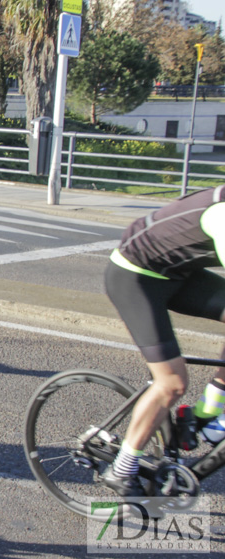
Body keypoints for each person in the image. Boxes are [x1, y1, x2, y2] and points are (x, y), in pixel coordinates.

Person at [102, 186, 225, 496]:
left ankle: (207, 413)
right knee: (171, 383)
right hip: (135, 277)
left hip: (179, 273)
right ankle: (122, 468)